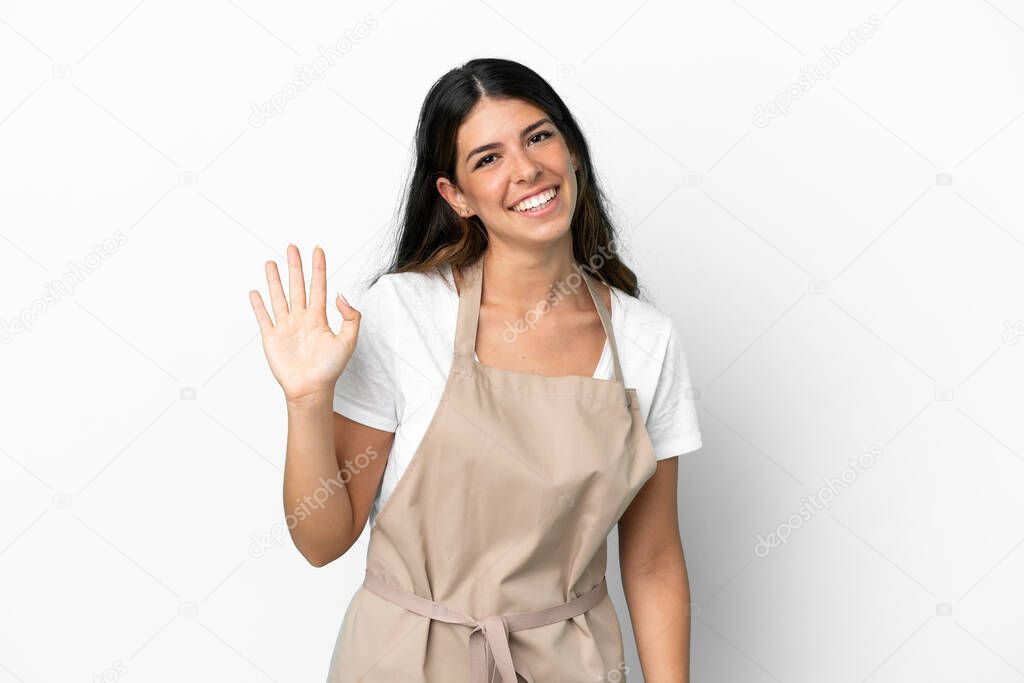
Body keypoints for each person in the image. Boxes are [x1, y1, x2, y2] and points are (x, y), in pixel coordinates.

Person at [249, 57, 702, 683]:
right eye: (487, 158)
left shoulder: (646, 340)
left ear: (572, 152)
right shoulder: (405, 313)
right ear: (454, 195)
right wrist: (306, 400)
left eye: (539, 136)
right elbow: (322, 542)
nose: (525, 169)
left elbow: (652, 561)